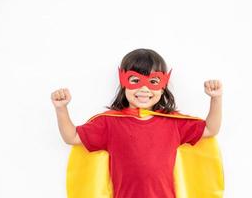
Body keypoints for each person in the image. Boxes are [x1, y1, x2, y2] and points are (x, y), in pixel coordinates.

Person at [51, 48, 223, 198]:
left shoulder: (173, 123)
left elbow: (210, 129)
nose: (144, 89)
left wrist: (216, 98)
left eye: (153, 81)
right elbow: (72, 137)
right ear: (123, 82)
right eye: (135, 80)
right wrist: (61, 109)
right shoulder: (110, 122)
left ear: (163, 87)